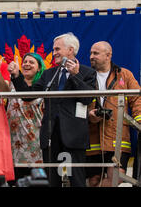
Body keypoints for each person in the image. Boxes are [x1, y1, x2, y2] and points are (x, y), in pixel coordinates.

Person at [8, 32, 97, 187]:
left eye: (57, 49)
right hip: (50, 135)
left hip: (74, 137)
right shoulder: (50, 73)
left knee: (76, 180)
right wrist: (16, 76)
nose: (54, 52)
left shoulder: (87, 72)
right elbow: (28, 96)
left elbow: (87, 99)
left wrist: (75, 75)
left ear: (70, 50)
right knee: (52, 181)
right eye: (54, 49)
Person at [87, 41, 141, 187]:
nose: (91, 56)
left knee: (116, 178)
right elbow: (77, 103)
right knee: (93, 180)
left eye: (96, 53)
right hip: (92, 138)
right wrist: (89, 115)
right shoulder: (85, 75)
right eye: (91, 53)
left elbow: (137, 99)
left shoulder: (124, 74)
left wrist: (139, 121)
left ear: (108, 55)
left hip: (117, 137)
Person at [6, 53, 45, 184]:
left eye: (31, 62)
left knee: (35, 181)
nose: (27, 64)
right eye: (25, 61)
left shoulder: (42, 85)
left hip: (34, 142)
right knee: (15, 181)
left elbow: (28, 97)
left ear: (39, 68)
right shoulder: (11, 84)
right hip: (14, 142)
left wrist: (17, 76)